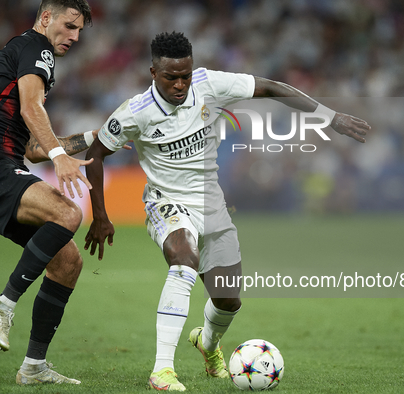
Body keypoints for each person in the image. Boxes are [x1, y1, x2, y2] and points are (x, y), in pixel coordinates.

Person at [84, 31, 370, 391]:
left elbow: (272, 88)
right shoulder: (135, 112)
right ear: (153, 71)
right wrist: (100, 215)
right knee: (183, 260)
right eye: (171, 76)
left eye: (185, 75)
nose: (180, 84)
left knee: (228, 299)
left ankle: (208, 344)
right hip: (166, 201)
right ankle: (162, 370)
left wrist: (329, 117)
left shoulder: (210, 84)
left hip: (211, 203)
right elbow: (95, 154)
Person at [0, 0, 94, 386]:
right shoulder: (34, 47)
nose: (75, 37)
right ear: (46, 18)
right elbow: (31, 110)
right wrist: (61, 157)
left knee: (68, 261)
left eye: (80, 31)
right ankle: (2, 306)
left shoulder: (26, 57)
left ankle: (34, 367)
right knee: (69, 213)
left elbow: (31, 149)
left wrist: (96, 137)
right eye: (70, 26)